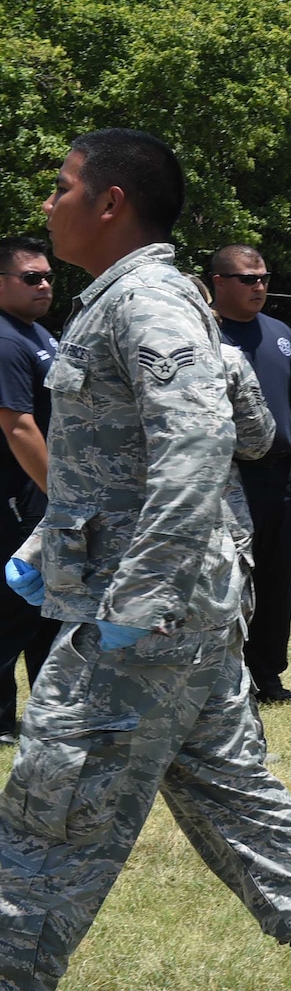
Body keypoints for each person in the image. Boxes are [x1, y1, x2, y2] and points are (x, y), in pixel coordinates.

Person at [0, 129, 291, 989]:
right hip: (180, 614)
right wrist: (45, 541)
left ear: (110, 203)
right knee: (234, 793)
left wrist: (133, 604)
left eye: (61, 186)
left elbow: (196, 445)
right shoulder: (121, 300)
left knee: (49, 817)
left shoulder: (147, 303)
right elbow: (120, 461)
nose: (48, 203)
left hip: (139, 625)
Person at [211, 244, 291, 706]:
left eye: (263, 277)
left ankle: (268, 677)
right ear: (219, 281)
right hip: (228, 477)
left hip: (279, 475)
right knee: (228, 579)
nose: (259, 286)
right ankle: (226, 679)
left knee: (277, 577)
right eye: (247, 279)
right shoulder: (203, 336)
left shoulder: (280, 333)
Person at [0, 237, 60, 746]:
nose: (44, 285)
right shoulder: (4, 341)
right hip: (19, 495)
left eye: (47, 276)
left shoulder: (36, 332)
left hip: (39, 493)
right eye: (31, 278)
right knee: (14, 608)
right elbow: (18, 426)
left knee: (46, 611)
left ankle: (47, 716)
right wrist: (61, 495)